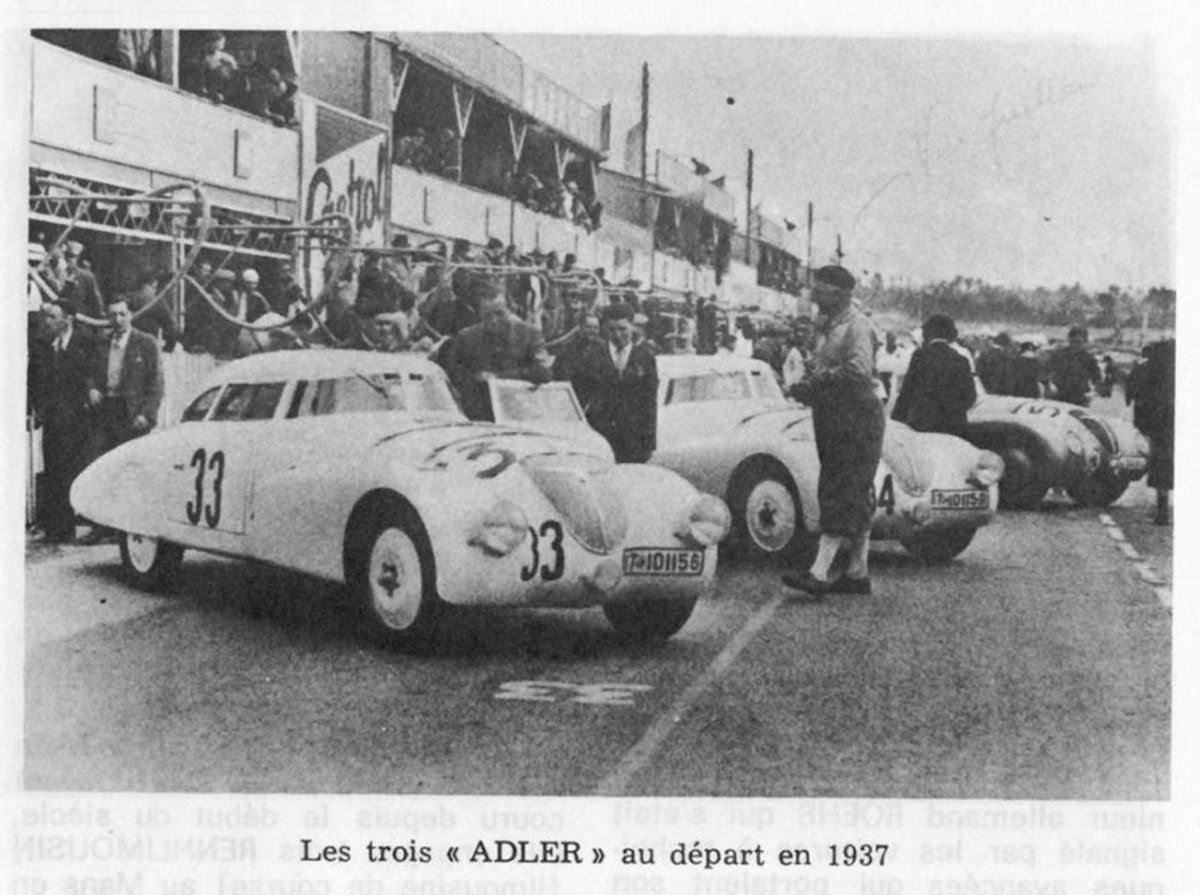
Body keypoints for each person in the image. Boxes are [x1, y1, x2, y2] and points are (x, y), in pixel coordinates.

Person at [782, 265, 883, 600]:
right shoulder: (826, 325)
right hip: (836, 416)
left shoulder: (857, 326)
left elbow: (859, 371)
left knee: (840, 489)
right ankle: (857, 572)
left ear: (840, 295)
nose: (813, 297)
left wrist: (817, 381)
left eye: (820, 291)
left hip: (856, 418)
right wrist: (808, 389)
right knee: (853, 489)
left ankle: (819, 572)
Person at [30, 300, 96, 542]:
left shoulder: (85, 343)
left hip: (77, 418)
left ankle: (67, 527)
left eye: (51, 316)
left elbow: (93, 374)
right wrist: (35, 408)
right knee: (52, 469)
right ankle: (53, 526)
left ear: (66, 319)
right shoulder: (42, 345)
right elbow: (34, 379)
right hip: (51, 419)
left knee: (71, 470)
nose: (46, 321)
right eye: (45, 316)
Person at [437, 290, 552, 421]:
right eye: (487, 316)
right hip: (479, 413)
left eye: (499, 313)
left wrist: (497, 377)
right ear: (480, 315)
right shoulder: (467, 337)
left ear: (510, 309)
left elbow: (544, 373)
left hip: (520, 411)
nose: (494, 321)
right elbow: (450, 372)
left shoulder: (530, 335)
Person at [566, 303, 658, 463]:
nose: (617, 334)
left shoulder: (645, 357)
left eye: (623, 329)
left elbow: (650, 403)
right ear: (604, 330)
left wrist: (649, 442)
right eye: (611, 330)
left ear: (632, 327)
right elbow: (580, 396)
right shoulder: (592, 356)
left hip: (634, 438)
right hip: (602, 436)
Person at [890, 314, 977, 440]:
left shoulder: (920, 356)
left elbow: (907, 392)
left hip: (924, 425)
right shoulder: (961, 360)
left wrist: (897, 420)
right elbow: (970, 396)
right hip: (955, 428)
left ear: (927, 333)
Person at [1127, 340, 1174, 525]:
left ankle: (1162, 510)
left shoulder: (1150, 369)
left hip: (1160, 424)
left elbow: (1140, 396)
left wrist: (1142, 424)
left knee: (1162, 464)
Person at [1047, 325, 1101, 406]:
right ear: (1069, 340)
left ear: (1084, 342)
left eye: (1078, 342)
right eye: (1073, 341)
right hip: (1059, 395)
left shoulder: (1088, 358)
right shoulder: (1058, 355)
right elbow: (1046, 372)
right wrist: (1047, 387)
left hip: (1079, 397)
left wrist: (1094, 393)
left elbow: (1097, 378)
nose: (1075, 345)